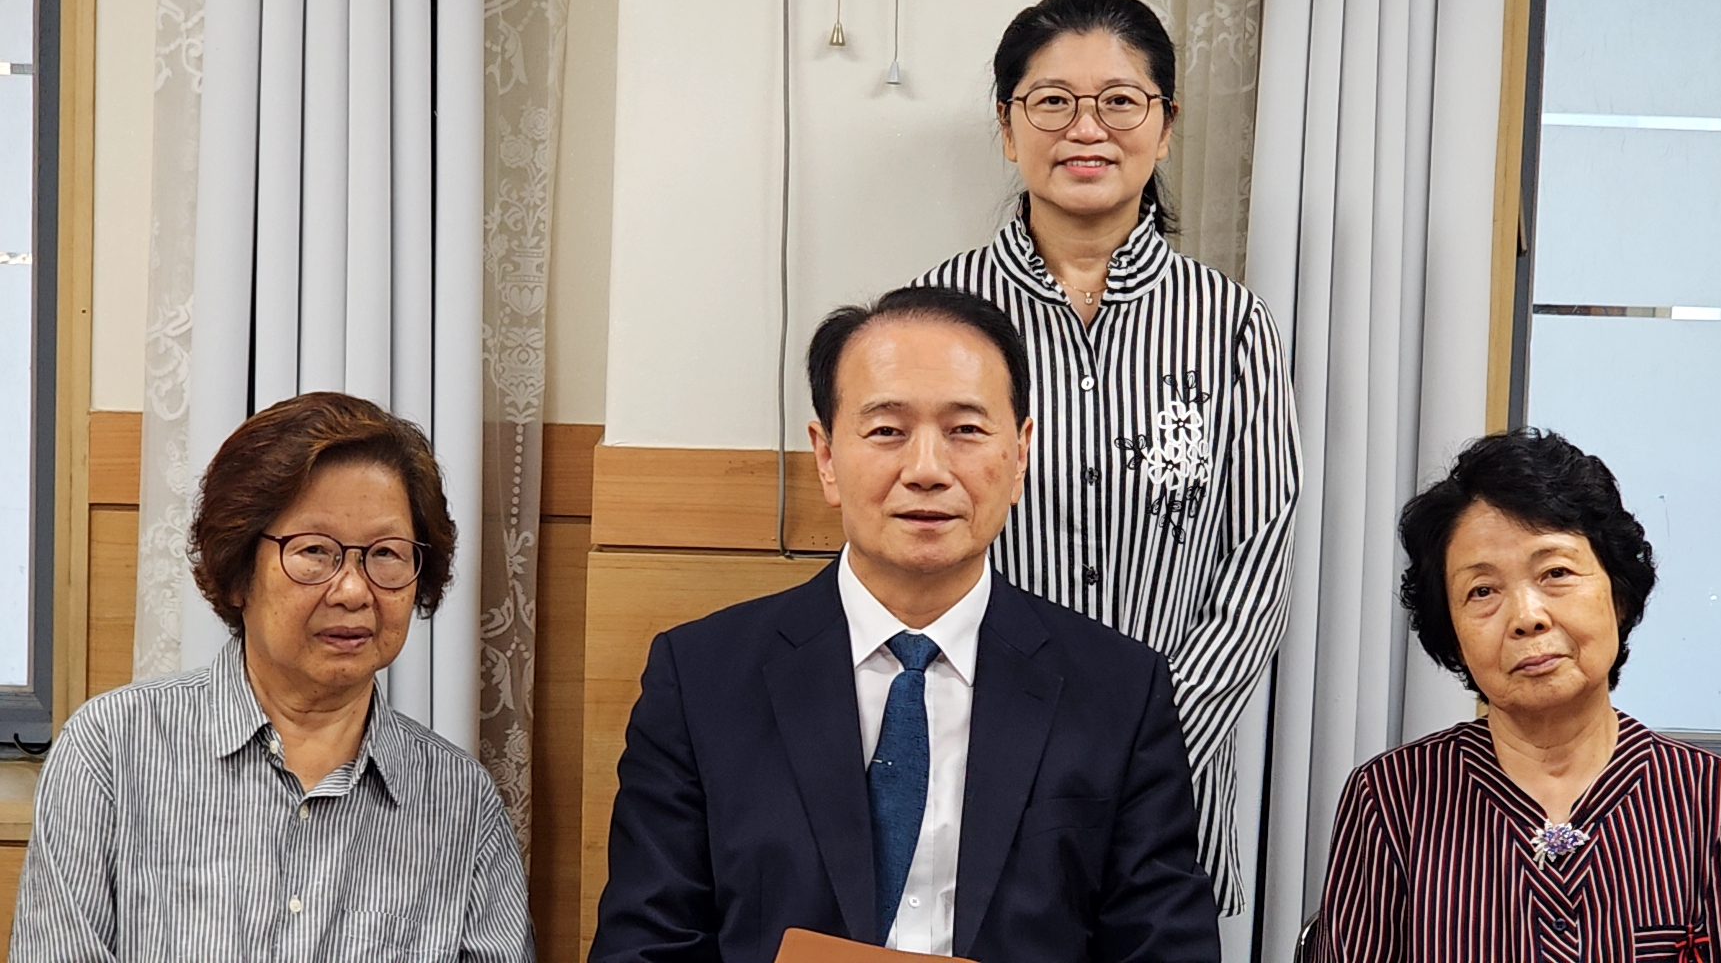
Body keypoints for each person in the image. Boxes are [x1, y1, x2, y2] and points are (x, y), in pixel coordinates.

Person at [589, 287, 1220, 963]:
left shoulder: (1119, 691)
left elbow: (1164, 949)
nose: (926, 470)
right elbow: (646, 944)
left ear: (1020, 455)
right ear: (826, 457)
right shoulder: (702, 680)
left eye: (965, 430)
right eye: (887, 431)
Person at [918, 0, 1300, 912]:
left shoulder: (1230, 325)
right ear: (1007, 128)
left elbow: (1257, 559)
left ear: (1164, 128)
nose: (1085, 128)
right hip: (974, 766)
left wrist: (1147, 740)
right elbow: (912, 541)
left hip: (1169, 781)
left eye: (1120, 101)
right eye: (1052, 101)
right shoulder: (936, 319)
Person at [8, 392, 535, 963]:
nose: (353, 590)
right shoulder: (112, 749)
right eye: (314, 551)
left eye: (386, 553)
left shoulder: (460, 801)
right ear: (238, 571)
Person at [1309, 429, 1721, 962]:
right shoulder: (1390, 799)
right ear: (1453, 634)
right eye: (1482, 591)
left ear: (1619, 593)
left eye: (1556, 572)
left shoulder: (1715, 800)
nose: (1527, 617)